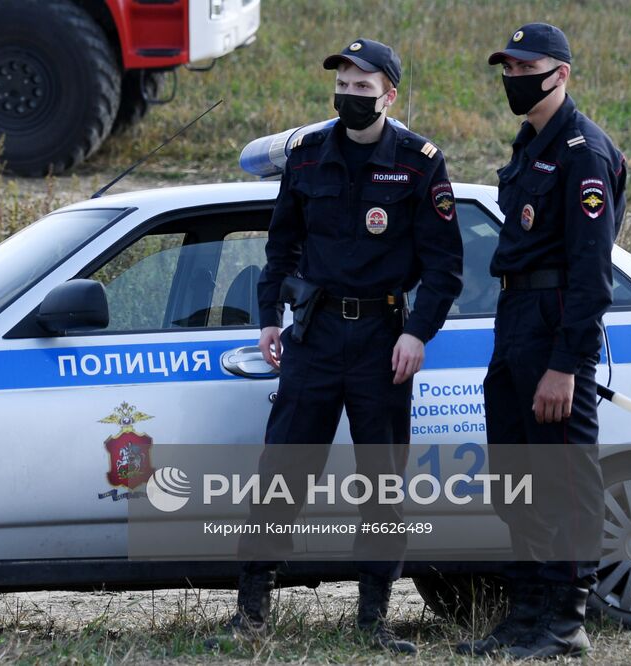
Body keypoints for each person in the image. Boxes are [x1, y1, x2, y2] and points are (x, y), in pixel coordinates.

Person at [215, 37, 463, 654]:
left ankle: (374, 620)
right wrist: (270, 315)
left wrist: (416, 333)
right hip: (315, 335)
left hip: (383, 338)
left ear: (390, 95)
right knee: (283, 470)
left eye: (363, 87)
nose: (350, 96)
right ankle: (252, 611)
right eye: (343, 86)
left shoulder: (419, 161)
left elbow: (445, 267)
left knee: (381, 482)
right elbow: (281, 246)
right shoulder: (306, 156)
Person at [456, 23, 627, 660]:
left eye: (525, 67)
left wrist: (567, 366)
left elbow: (592, 274)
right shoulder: (529, 144)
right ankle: (525, 613)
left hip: (557, 321)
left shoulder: (583, 152)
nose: (513, 77)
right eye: (507, 67)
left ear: (561, 73)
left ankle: (565, 621)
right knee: (514, 476)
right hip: (515, 316)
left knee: (564, 478)